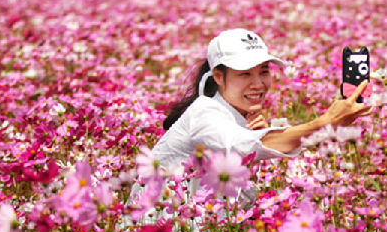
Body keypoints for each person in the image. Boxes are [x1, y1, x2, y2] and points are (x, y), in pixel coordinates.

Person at [153, 28, 372, 173]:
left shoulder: (238, 118)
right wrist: (327, 122)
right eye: (245, 74)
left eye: (264, 71)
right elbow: (249, 147)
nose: (258, 84)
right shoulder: (205, 112)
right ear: (218, 76)